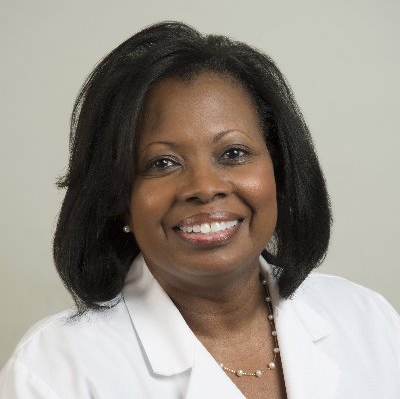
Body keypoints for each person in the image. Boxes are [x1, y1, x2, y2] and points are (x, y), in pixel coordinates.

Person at [1, 21, 399, 399]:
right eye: (162, 163)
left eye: (234, 153)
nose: (205, 188)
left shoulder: (368, 320)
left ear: (278, 171)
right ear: (118, 200)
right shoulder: (55, 372)